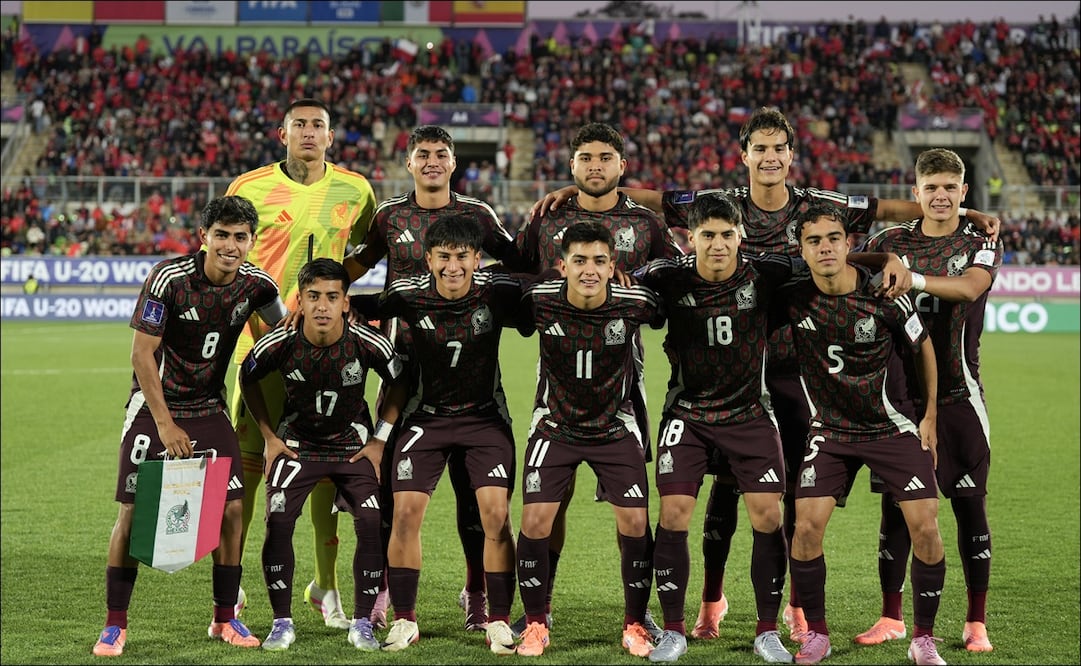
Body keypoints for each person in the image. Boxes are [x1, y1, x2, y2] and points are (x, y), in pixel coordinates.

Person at [530, 106, 999, 641]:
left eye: (779, 149)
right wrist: (582, 192)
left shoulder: (818, 205)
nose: (770, 158)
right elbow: (657, 199)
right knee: (722, 493)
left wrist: (963, 209)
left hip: (800, 373)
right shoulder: (719, 205)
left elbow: (880, 213)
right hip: (726, 373)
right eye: (761, 149)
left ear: (790, 155)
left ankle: (795, 607)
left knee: (792, 493)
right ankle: (711, 600)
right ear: (745, 155)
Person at [634, 193, 909, 664]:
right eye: (707, 236)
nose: (717, 245)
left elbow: (827, 259)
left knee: (769, 517)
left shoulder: (767, 272)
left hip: (749, 413)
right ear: (690, 238)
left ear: (740, 236)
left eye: (726, 235)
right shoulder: (666, 275)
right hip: (688, 414)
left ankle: (767, 630)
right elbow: (618, 282)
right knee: (674, 513)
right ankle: (674, 631)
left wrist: (886, 259)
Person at [349, 124, 528, 632]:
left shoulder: (477, 215)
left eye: (441, 154)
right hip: (401, 371)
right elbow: (358, 265)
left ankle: (476, 592)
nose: (432, 161)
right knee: (392, 494)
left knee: (476, 503)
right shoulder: (389, 216)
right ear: (409, 162)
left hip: (469, 370)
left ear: (454, 162)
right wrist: (318, 286)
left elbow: (521, 263)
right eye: (423, 154)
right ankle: (386, 591)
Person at [92, 195, 287, 657]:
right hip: (154, 406)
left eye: (240, 237)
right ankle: (115, 624)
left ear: (251, 241)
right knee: (132, 512)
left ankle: (224, 617)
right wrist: (164, 425)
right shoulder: (169, 278)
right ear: (204, 237)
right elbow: (141, 354)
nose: (230, 245)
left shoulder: (258, 286)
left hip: (208, 407)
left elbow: (283, 338)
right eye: (222, 235)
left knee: (233, 509)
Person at [512, 121, 680, 636]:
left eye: (605, 158)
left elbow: (676, 278)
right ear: (572, 165)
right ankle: (540, 606)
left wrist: (638, 283)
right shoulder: (548, 218)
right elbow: (516, 273)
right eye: (585, 158)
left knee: (629, 507)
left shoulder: (645, 223)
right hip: (558, 370)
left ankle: (637, 611)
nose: (595, 166)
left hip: (621, 376)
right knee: (552, 500)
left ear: (621, 166)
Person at [225, 97, 377, 630]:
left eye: (318, 126)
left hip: (327, 352)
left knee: (328, 469)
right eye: (299, 125)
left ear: (330, 137)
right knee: (247, 469)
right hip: (260, 345)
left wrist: (333, 294)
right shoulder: (249, 188)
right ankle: (232, 583)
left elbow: (367, 249)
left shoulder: (356, 189)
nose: (308, 133)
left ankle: (325, 586)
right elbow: (230, 255)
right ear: (282, 133)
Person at [779, 202, 947, 666]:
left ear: (849, 244)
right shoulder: (791, 296)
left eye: (834, 238)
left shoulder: (885, 294)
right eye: (814, 241)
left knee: (926, 526)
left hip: (890, 427)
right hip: (830, 431)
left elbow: (924, 347)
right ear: (801, 250)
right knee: (805, 527)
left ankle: (923, 638)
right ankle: (817, 634)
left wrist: (930, 415)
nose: (825, 248)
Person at [855, 148, 1002, 653]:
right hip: (898, 400)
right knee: (898, 509)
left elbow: (969, 289)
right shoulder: (888, 242)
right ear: (915, 192)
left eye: (950, 188)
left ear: (964, 192)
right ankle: (891, 617)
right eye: (931, 187)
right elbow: (850, 261)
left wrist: (911, 276)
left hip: (960, 397)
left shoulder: (980, 242)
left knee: (969, 507)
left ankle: (976, 622)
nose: (940, 196)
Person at [238, 258, 406, 652]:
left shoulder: (367, 340)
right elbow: (247, 375)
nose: (322, 306)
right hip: (297, 445)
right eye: (313, 296)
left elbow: (400, 381)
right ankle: (282, 622)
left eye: (332, 297)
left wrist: (379, 439)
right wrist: (268, 437)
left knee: (371, 520)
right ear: (300, 301)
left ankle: (362, 623)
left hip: (351, 446)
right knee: (279, 519)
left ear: (346, 303)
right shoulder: (281, 340)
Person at [514, 221, 664, 658]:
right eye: (579, 261)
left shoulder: (635, 303)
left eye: (599, 261)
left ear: (613, 266)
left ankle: (635, 623)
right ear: (562, 266)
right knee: (535, 520)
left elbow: (672, 307)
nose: (589, 270)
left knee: (635, 522)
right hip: (555, 425)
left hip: (614, 426)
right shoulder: (539, 300)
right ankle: (536, 622)